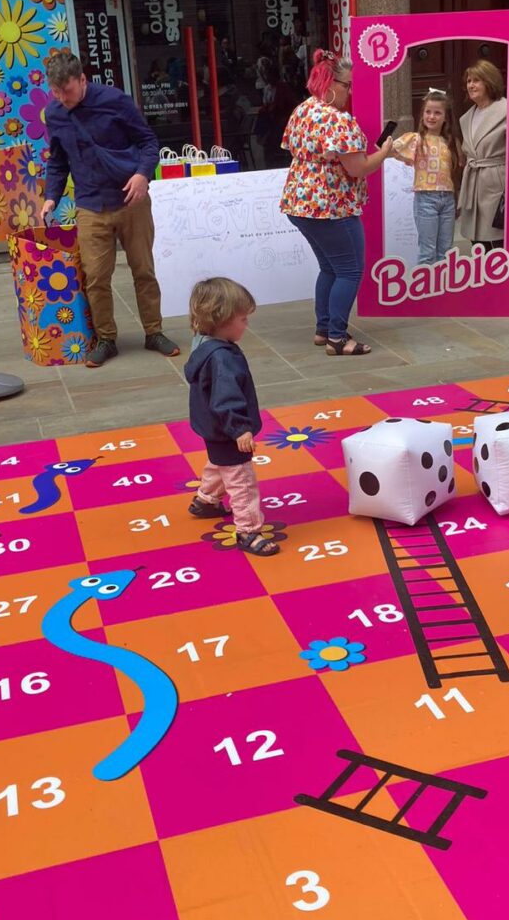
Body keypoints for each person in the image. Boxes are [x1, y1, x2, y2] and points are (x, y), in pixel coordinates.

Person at [40, 51, 178, 368]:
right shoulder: (56, 113)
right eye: (56, 92)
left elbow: (148, 142)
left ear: (83, 80)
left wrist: (143, 174)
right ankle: (106, 339)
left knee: (143, 270)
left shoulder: (115, 101)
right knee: (95, 277)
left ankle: (154, 332)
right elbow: (58, 160)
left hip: (131, 200)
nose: (63, 98)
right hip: (90, 203)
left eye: (69, 91)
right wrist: (52, 195)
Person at [281, 49, 394, 355]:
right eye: (346, 85)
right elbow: (359, 168)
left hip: (299, 202)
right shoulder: (339, 121)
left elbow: (294, 146)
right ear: (330, 84)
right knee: (349, 270)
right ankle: (337, 337)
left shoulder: (304, 110)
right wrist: (386, 152)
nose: (350, 91)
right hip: (331, 206)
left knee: (329, 267)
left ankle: (323, 329)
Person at [184, 278, 280, 558]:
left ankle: (206, 500)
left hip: (211, 426)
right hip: (228, 428)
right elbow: (226, 397)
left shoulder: (203, 344)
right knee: (241, 480)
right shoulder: (222, 358)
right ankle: (248, 531)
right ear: (221, 320)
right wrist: (240, 429)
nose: (246, 325)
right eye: (243, 318)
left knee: (219, 462)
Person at [392, 89, 460, 265]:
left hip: (448, 199)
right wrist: (383, 143)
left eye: (438, 112)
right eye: (428, 112)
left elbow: (462, 162)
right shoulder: (416, 139)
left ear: (445, 117)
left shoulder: (450, 141)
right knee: (427, 251)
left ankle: (442, 289)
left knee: (445, 251)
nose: (432, 116)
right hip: (425, 199)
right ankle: (424, 291)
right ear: (422, 115)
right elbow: (391, 149)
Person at [459, 60, 507, 249]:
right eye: (469, 81)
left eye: (476, 80)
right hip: (474, 183)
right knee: (478, 244)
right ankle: (482, 278)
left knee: (497, 242)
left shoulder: (508, 109)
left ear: (490, 81)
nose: (471, 85)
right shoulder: (466, 117)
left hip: (496, 184)